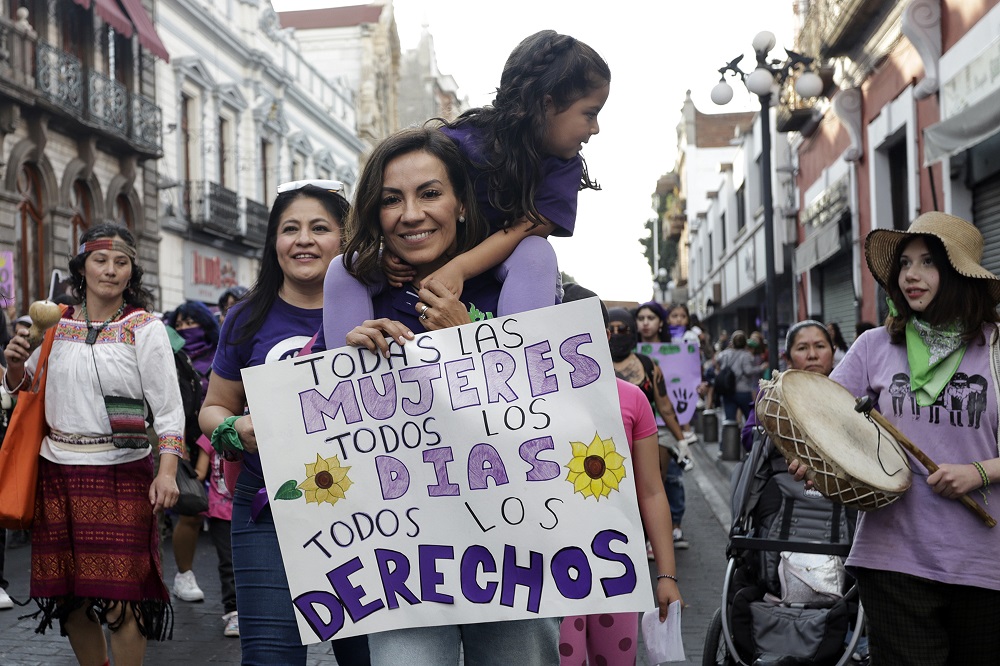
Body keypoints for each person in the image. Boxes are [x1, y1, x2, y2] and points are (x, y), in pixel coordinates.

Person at [326, 126, 556, 664]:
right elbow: (343, 434)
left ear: (462, 202)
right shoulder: (351, 277)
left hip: (514, 540)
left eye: (429, 193)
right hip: (404, 553)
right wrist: (354, 361)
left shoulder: (524, 264)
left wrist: (465, 335)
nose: (411, 214)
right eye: (391, 199)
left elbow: (536, 406)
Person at [789, 212, 1000, 665]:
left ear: (960, 274)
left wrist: (978, 473)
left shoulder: (996, 349)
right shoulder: (874, 346)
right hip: (892, 556)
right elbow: (826, 417)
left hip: (985, 563)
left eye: (927, 262)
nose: (910, 276)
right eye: (904, 264)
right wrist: (813, 457)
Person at [323, 29, 611, 344]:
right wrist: (383, 251)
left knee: (534, 251)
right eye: (590, 114)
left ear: (461, 202)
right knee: (347, 266)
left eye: (430, 194)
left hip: (499, 264)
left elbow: (525, 230)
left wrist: (461, 285)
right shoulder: (462, 141)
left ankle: (524, 345)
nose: (595, 128)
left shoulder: (563, 165)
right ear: (547, 104)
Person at [198, 181, 369, 664]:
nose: (304, 240)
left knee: (368, 657)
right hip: (267, 508)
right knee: (271, 656)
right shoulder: (246, 317)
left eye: (320, 228)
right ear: (274, 242)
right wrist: (234, 429)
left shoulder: (379, 305)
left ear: (346, 238)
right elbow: (213, 408)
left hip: (370, 511)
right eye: (290, 229)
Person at [2, 223, 182, 665]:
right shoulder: (52, 322)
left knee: (124, 600)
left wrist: (167, 472)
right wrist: (15, 366)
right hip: (57, 471)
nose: (111, 270)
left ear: (131, 271)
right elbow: (27, 388)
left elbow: (168, 408)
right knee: (70, 599)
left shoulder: (144, 328)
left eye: (121, 262)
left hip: (123, 472)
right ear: (82, 267)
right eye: (101, 260)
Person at [558, 286, 682, 666]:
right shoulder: (520, 405)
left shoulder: (632, 399)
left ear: (604, 335)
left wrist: (667, 576)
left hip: (616, 564)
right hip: (546, 567)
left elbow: (651, 491)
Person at [607, 308, 687, 561]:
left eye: (623, 330)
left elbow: (665, 406)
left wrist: (682, 440)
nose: (617, 335)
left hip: (645, 437)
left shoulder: (648, 365)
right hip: (609, 443)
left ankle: (653, 537)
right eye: (612, 330)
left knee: (651, 485)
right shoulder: (594, 363)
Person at [163, 301, 220, 608]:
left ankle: (233, 590)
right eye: (180, 324)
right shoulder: (170, 355)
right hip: (183, 441)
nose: (185, 328)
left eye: (191, 322)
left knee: (224, 515)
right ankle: (183, 574)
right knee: (189, 509)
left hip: (220, 441)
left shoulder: (221, 354)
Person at [635, 301, 693, 551]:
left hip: (667, 425)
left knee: (670, 478)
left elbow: (687, 384)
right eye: (641, 318)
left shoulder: (678, 350)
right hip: (639, 426)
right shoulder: (628, 353)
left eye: (651, 318)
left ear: (661, 322)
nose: (645, 323)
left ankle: (672, 525)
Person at [714, 331, 765, 427]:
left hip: (728, 391)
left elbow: (717, 360)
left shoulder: (725, 354)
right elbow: (748, 371)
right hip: (743, 391)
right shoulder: (746, 355)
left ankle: (731, 436)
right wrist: (760, 368)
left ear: (732, 342)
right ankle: (748, 436)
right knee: (750, 419)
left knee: (730, 422)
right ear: (745, 343)